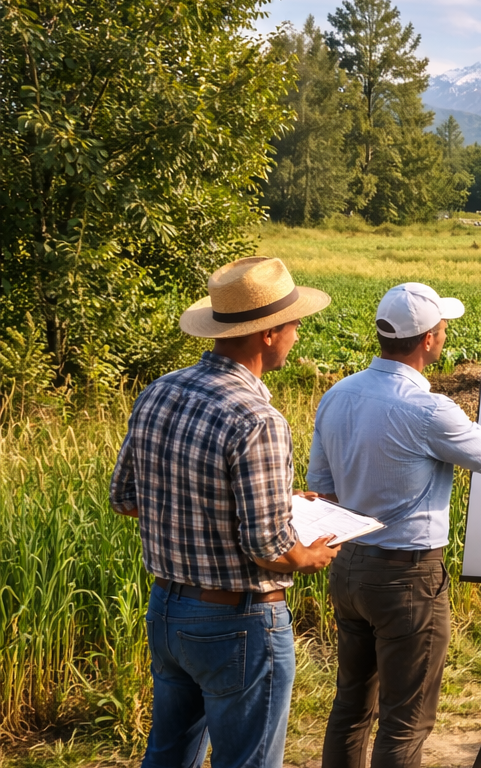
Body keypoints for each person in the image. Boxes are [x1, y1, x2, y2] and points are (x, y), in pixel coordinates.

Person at [309, 283, 481, 768]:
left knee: (351, 709)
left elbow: (323, 489)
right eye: (443, 327)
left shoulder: (337, 394)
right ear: (428, 340)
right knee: (406, 722)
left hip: (349, 569)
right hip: (407, 579)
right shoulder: (427, 409)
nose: (445, 334)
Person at [109, 257, 341, 768]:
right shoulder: (257, 417)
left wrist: (279, 500)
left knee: (168, 756)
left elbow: (125, 497)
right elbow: (268, 547)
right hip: (238, 619)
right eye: (294, 324)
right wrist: (308, 557)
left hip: (167, 609)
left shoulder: (161, 389)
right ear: (268, 334)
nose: (297, 335)